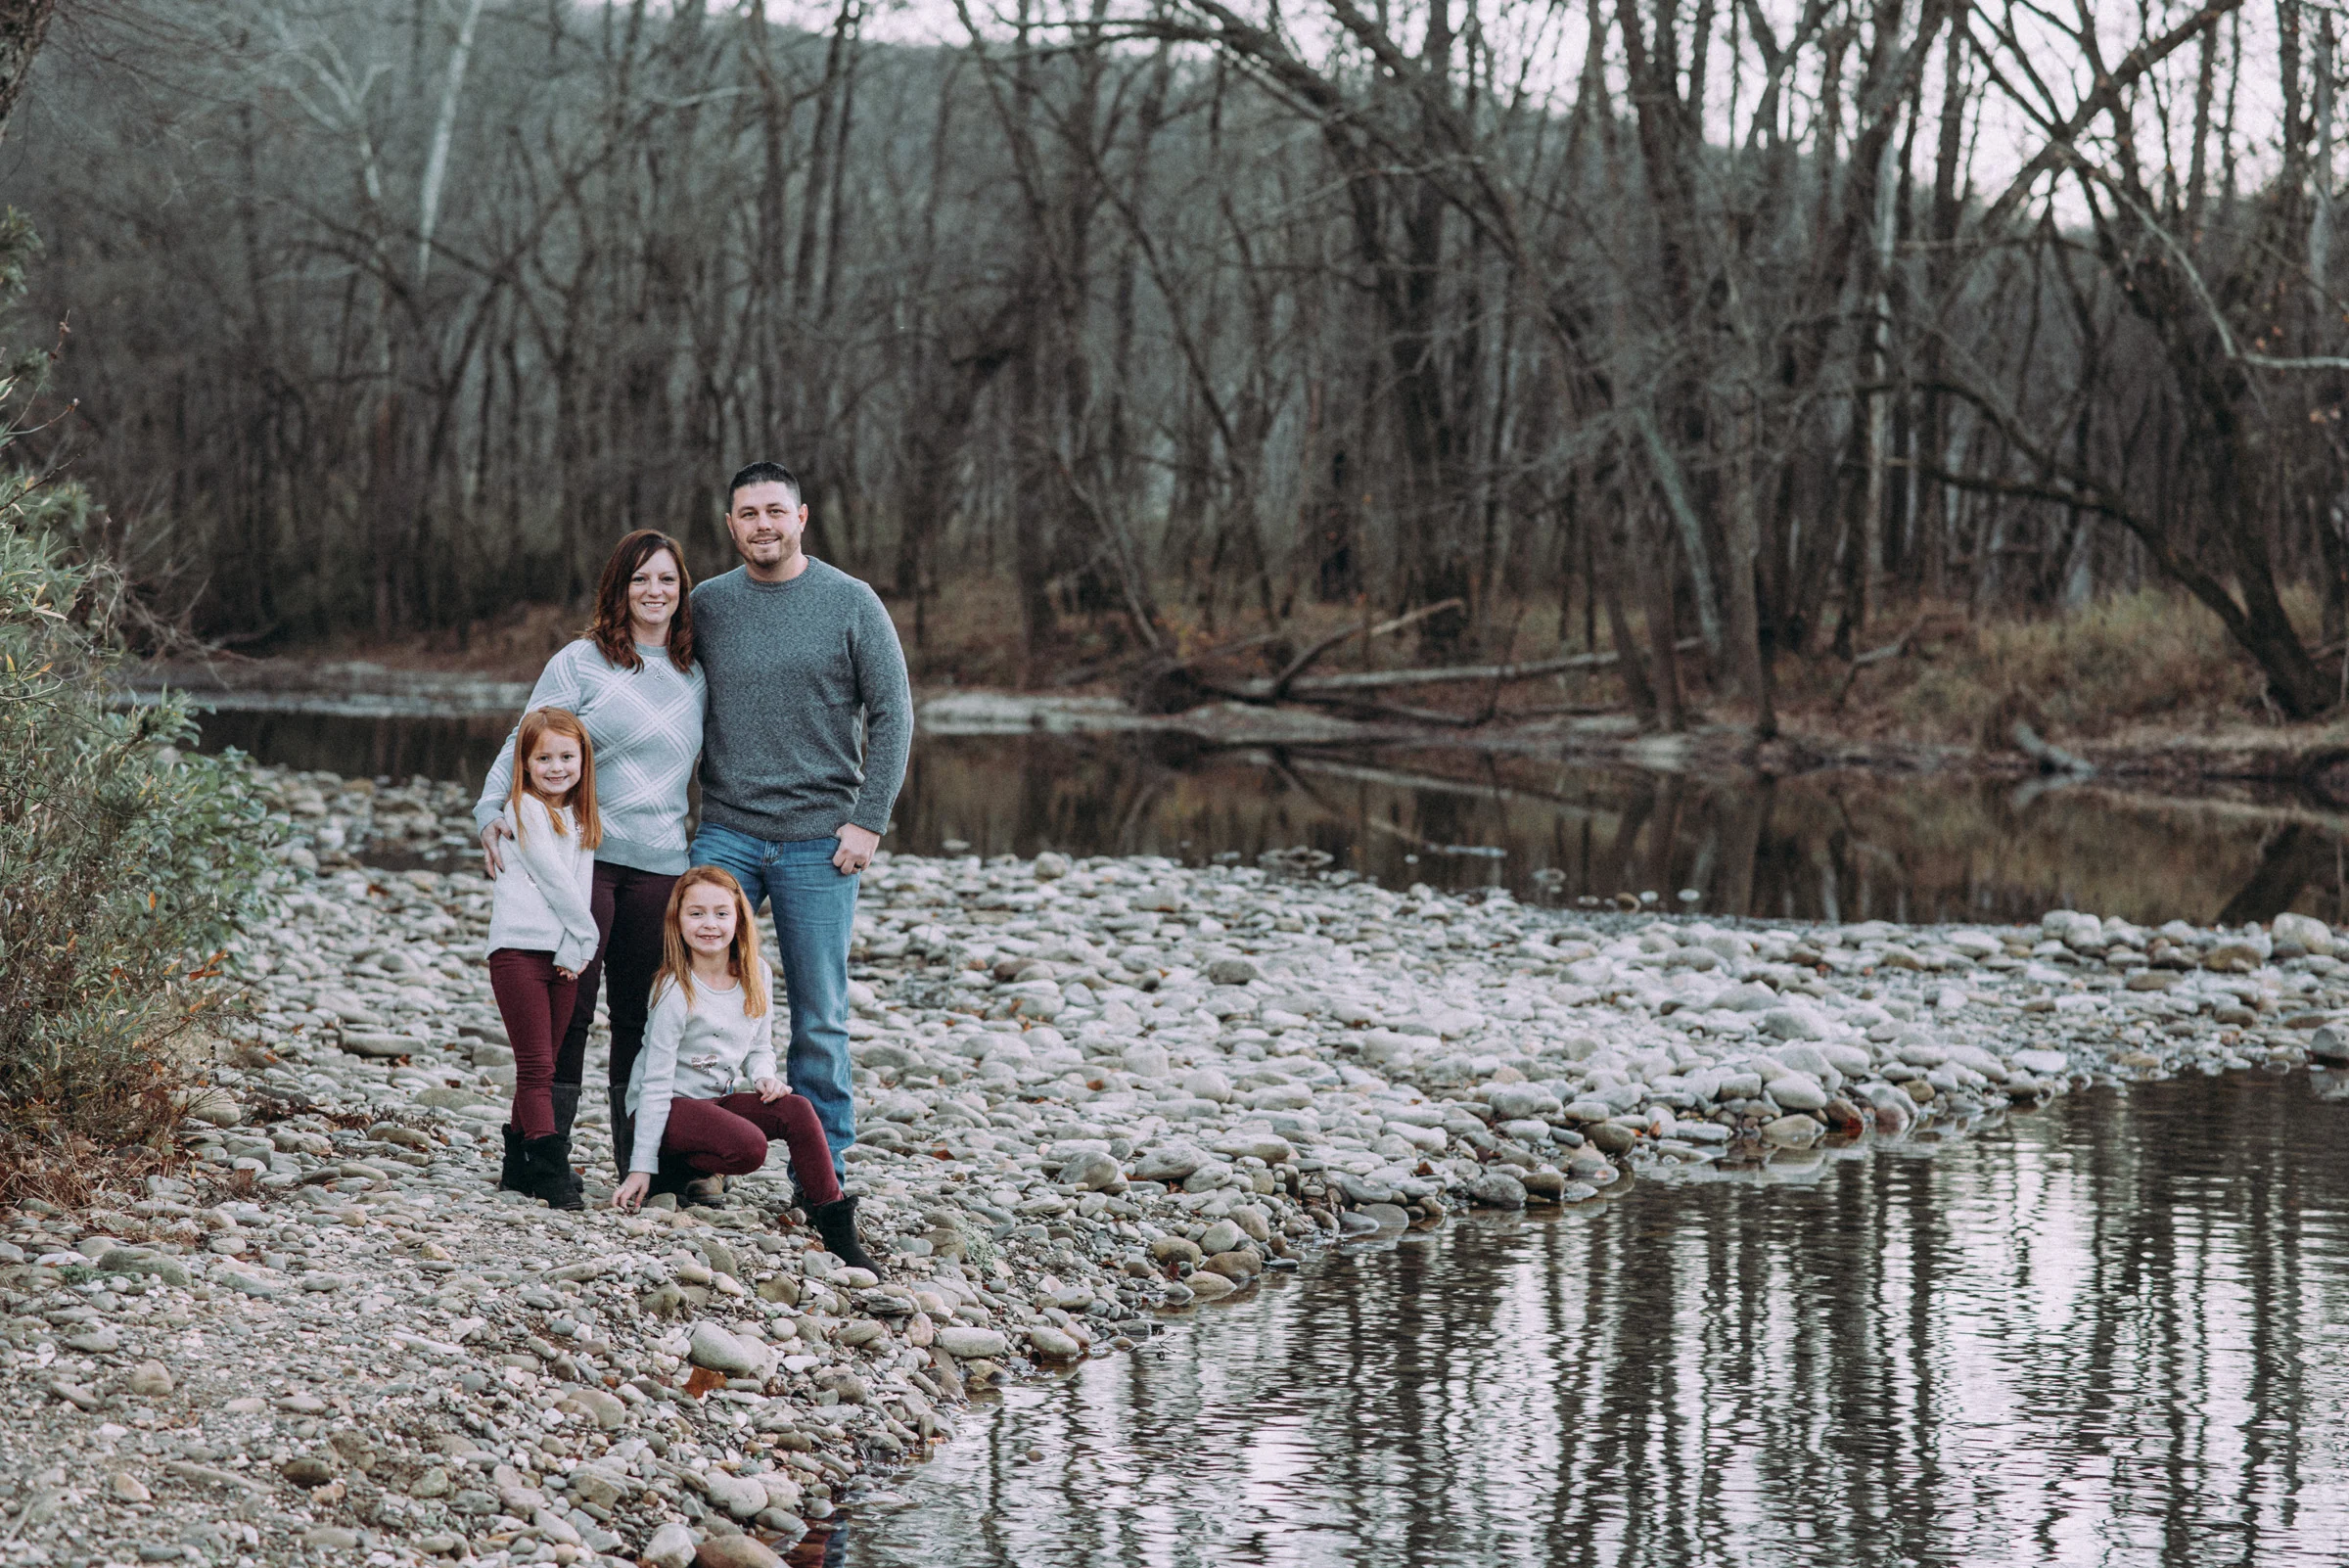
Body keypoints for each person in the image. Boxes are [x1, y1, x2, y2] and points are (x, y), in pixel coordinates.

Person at [689, 460, 912, 1233]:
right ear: (731, 525)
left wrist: (869, 819)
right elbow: (655, 689)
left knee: (819, 1013)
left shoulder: (851, 602)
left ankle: (824, 1173)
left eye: (774, 511)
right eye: (748, 514)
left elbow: (893, 712)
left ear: (801, 518)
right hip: (726, 830)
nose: (762, 525)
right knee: (694, 992)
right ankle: (702, 1156)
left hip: (822, 840)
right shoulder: (707, 605)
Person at [476, 531, 706, 1183]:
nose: (654, 591)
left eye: (666, 579)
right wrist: (489, 810)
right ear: (618, 589)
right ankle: (541, 1156)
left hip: (662, 864)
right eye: (640, 579)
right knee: (571, 1006)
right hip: (587, 857)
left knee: (639, 1013)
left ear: (682, 589)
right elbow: (524, 739)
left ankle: (640, 1160)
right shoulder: (581, 662)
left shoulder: (695, 674)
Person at [611, 867, 875, 1270]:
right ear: (677, 921)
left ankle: (833, 1219)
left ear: (739, 920)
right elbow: (654, 1083)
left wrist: (764, 1076)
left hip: (715, 1101)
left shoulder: (756, 973)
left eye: (721, 913)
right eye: (696, 913)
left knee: (797, 1109)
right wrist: (640, 1167)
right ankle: (668, 1168)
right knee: (749, 1146)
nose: (709, 924)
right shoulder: (674, 989)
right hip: (666, 1107)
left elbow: (759, 1046)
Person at [484, 707, 601, 1210]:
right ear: (525, 764)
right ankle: (551, 1170)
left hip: (562, 955)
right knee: (534, 1067)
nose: (556, 767)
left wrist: (575, 948)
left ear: (583, 761)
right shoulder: (523, 809)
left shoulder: (581, 817)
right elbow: (556, 883)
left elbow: (581, 886)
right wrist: (588, 937)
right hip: (519, 951)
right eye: (544, 758)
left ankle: (517, 1166)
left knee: (547, 1065)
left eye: (567, 757)